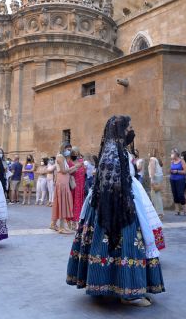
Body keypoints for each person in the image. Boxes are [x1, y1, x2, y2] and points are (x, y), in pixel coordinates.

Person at [66, 115, 165, 307]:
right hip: (114, 205)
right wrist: (121, 209)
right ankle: (127, 292)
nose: (131, 131)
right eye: (129, 128)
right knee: (125, 244)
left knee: (122, 245)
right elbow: (110, 185)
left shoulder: (118, 148)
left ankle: (108, 285)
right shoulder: (113, 150)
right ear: (120, 130)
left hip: (123, 199)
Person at [50, 143, 75, 233]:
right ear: (63, 148)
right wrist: (75, 167)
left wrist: (74, 167)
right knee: (62, 203)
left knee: (59, 202)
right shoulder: (60, 157)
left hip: (63, 182)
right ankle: (61, 227)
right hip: (62, 183)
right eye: (67, 149)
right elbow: (64, 171)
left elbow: (64, 171)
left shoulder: (62, 157)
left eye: (70, 149)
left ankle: (54, 223)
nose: (69, 151)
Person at [70, 147, 86, 226]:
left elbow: (85, 172)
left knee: (79, 203)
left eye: (76, 152)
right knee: (73, 203)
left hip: (81, 186)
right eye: (73, 152)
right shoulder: (70, 162)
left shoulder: (81, 161)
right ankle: (72, 221)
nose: (75, 154)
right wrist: (76, 167)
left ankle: (78, 221)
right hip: (73, 186)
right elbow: (68, 172)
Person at [169, 148, 186, 215]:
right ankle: (177, 210)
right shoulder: (172, 161)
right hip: (172, 179)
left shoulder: (181, 161)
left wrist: (177, 171)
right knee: (175, 194)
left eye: (172, 153)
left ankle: (185, 210)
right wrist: (170, 171)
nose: (171, 154)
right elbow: (170, 170)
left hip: (180, 180)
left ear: (176, 154)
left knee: (180, 194)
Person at [148, 150, 164, 218]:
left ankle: (159, 213)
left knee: (155, 196)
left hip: (155, 178)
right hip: (159, 178)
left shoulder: (152, 159)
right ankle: (160, 212)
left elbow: (152, 169)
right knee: (158, 195)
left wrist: (152, 180)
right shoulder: (157, 159)